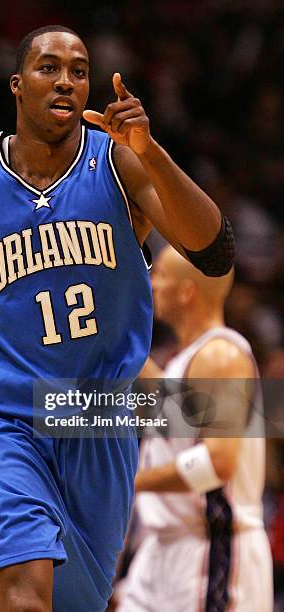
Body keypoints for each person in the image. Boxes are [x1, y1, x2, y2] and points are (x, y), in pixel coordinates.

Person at [0, 24, 234, 612]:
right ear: (16, 84)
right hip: (1, 413)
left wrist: (150, 151)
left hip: (95, 415)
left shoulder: (121, 166)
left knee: (77, 603)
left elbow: (214, 253)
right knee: (28, 595)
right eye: (48, 68)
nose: (66, 82)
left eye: (79, 71)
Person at [115, 246, 273, 611]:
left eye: (160, 276)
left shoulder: (222, 356)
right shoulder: (187, 359)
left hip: (213, 547)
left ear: (187, 292)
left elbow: (216, 464)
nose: (151, 284)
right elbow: (167, 412)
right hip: (164, 548)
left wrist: (130, 482)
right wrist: (116, 338)